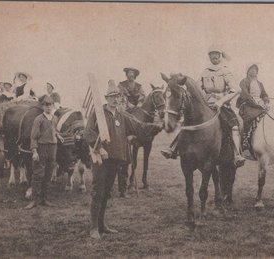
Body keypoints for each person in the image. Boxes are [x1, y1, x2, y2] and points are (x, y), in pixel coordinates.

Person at [84, 83, 160, 239]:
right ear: (106, 98)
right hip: (101, 159)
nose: (114, 99)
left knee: (107, 192)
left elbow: (139, 127)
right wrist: (98, 148)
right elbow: (88, 133)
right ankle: (93, 227)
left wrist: (158, 126)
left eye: (117, 96)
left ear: (120, 98)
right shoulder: (98, 113)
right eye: (111, 97)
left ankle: (102, 224)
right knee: (98, 192)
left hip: (115, 159)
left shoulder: (122, 115)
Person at [161, 45, 245, 167]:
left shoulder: (225, 71)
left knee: (234, 124)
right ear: (209, 56)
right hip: (205, 103)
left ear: (220, 56)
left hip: (222, 104)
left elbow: (236, 89)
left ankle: (237, 154)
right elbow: (196, 89)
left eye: (217, 54)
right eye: (212, 54)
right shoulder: (204, 72)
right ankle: (173, 147)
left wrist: (221, 101)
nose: (214, 56)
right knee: (187, 122)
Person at [25, 96, 64, 209]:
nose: (48, 107)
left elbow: (54, 129)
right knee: (38, 173)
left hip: (53, 147)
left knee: (48, 173)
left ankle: (44, 199)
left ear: (53, 106)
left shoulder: (55, 118)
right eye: (46, 105)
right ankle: (34, 200)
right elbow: (33, 136)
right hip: (41, 147)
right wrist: (34, 151)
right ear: (42, 106)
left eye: (50, 105)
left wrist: (58, 136)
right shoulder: (39, 119)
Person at [236, 64, 269, 158]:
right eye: (251, 69)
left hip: (260, 104)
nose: (253, 71)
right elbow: (245, 95)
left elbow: (264, 94)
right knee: (249, 120)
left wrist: (265, 101)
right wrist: (256, 103)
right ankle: (245, 144)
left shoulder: (260, 83)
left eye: (255, 69)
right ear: (247, 71)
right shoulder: (244, 82)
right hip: (248, 105)